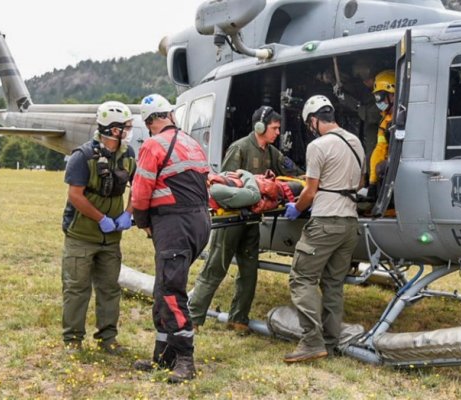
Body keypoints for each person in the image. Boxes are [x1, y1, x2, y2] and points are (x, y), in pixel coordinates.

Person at [188, 105, 300, 333]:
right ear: (260, 127)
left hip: (252, 220)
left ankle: (239, 318)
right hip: (231, 220)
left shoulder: (270, 152)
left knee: (249, 270)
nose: (278, 132)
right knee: (215, 268)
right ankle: (193, 318)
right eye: (275, 128)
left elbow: (292, 171)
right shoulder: (239, 148)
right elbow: (223, 185)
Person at [131, 94, 211, 384]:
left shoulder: (153, 145)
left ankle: (185, 360)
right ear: (170, 115)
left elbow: (140, 193)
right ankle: (162, 356)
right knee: (163, 288)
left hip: (174, 224)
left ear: (150, 122)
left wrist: (142, 223)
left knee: (171, 292)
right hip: (201, 222)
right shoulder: (192, 142)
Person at [282, 95, 364, 363]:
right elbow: (360, 180)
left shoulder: (318, 146)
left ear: (314, 120)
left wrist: (296, 207)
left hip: (326, 221)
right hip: (350, 223)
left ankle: (311, 341)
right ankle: (331, 340)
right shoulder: (356, 142)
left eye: (310, 124)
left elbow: (310, 190)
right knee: (333, 284)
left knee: (301, 278)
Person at [61, 101, 136, 354]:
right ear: (114, 130)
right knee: (76, 288)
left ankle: (108, 339)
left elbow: (139, 188)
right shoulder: (82, 156)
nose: (129, 130)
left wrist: (129, 213)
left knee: (109, 288)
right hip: (81, 236)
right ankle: (73, 340)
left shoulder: (128, 156)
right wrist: (101, 218)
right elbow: (75, 195)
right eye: (126, 126)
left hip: (111, 239)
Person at [367, 69, 395, 200]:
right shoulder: (385, 121)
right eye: (376, 97)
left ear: (393, 94)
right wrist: (372, 182)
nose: (379, 102)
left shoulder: (409, 115)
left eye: (381, 96)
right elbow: (379, 150)